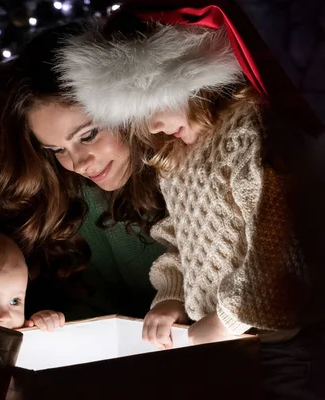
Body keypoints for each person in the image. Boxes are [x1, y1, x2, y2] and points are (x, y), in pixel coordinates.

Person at [57, 6, 321, 398]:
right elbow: (182, 239)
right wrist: (172, 295)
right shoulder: (176, 156)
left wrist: (229, 320)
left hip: (279, 343)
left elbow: (278, 246)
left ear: (187, 80)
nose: (151, 128)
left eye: (151, 108)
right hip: (221, 341)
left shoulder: (251, 132)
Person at [0, 24, 166, 321]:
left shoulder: (189, 176)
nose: (79, 164)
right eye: (57, 150)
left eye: (88, 135)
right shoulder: (72, 201)